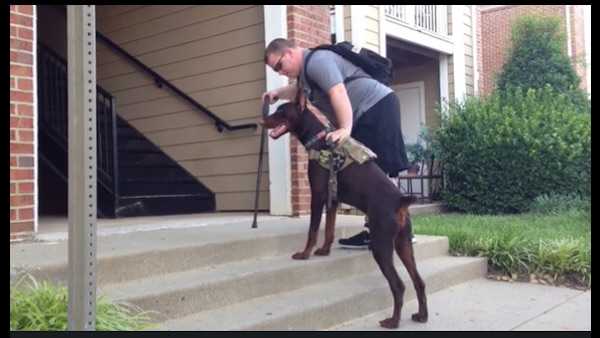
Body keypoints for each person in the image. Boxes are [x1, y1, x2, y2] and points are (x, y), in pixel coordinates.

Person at [263, 38, 414, 248]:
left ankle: (403, 231)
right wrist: (277, 94)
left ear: (289, 53)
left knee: (382, 171)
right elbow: (298, 90)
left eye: (279, 66)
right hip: (363, 114)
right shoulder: (306, 74)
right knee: (370, 175)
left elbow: (338, 92)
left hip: (377, 107)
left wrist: (345, 128)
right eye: (275, 70)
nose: (280, 72)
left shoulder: (318, 62)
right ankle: (376, 230)